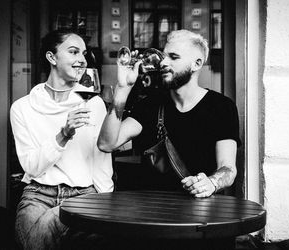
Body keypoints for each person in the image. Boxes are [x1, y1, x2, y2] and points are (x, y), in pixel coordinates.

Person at [98, 29, 241, 198]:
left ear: (197, 63)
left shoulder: (221, 107)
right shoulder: (150, 104)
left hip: (200, 212)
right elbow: (107, 144)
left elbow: (228, 169)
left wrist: (212, 182)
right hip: (152, 212)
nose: (163, 63)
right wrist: (123, 88)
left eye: (173, 57)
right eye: (164, 56)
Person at [10, 29, 113, 249]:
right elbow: (31, 166)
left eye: (84, 54)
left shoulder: (92, 103)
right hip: (39, 194)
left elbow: (101, 158)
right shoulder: (22, 108)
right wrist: (63, 135)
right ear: (51, 57)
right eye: (74, 52)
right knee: (35, 240)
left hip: (84, 194)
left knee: (34, 241)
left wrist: (106, 201)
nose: (82, 60)